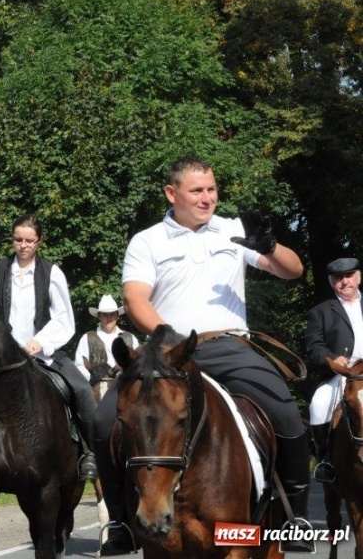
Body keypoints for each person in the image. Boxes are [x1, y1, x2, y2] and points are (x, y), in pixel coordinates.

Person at [92, 155, 311, 556]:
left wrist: (272, 246)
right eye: (197, 191)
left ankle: (293, 519)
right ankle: (121, 522)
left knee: (286, 412)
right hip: (169, 353)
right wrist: (167, 338)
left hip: (229, 346)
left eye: (211, 189)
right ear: (172, 193)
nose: (207, 198)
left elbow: (293, 270)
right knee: (105, 419)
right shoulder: (148, 240)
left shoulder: (233, 230)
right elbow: (134, 298)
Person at [0, 213, 97, 484]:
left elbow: (64, 318)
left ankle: (90, 452)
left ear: (39, 241)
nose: (23, 245)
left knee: (82, 389)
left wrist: (39, 342)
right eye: (18, 239)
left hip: (43, 354)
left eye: (29, 240)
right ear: (12, 240)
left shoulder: (51, 273)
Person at [304, 257, 363, 484]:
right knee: (318, 404)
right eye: (339, 278)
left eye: (349, 276)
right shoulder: (320, 311)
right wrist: (331, 358)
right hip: (343, 374)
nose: (344, 281)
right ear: (332, 283)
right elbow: (313, 345)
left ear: (358, 278)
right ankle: (326, 460)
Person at [73, 295, 139, 382]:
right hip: (96, 388)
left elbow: (138, 364)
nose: (109, 318)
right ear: (99, 316)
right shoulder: (87, 338)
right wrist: (92, 380)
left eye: (112, 314)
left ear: (117, 316)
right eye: (105, 315)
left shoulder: (130, 338)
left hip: (124, 387)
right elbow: (79, 365)